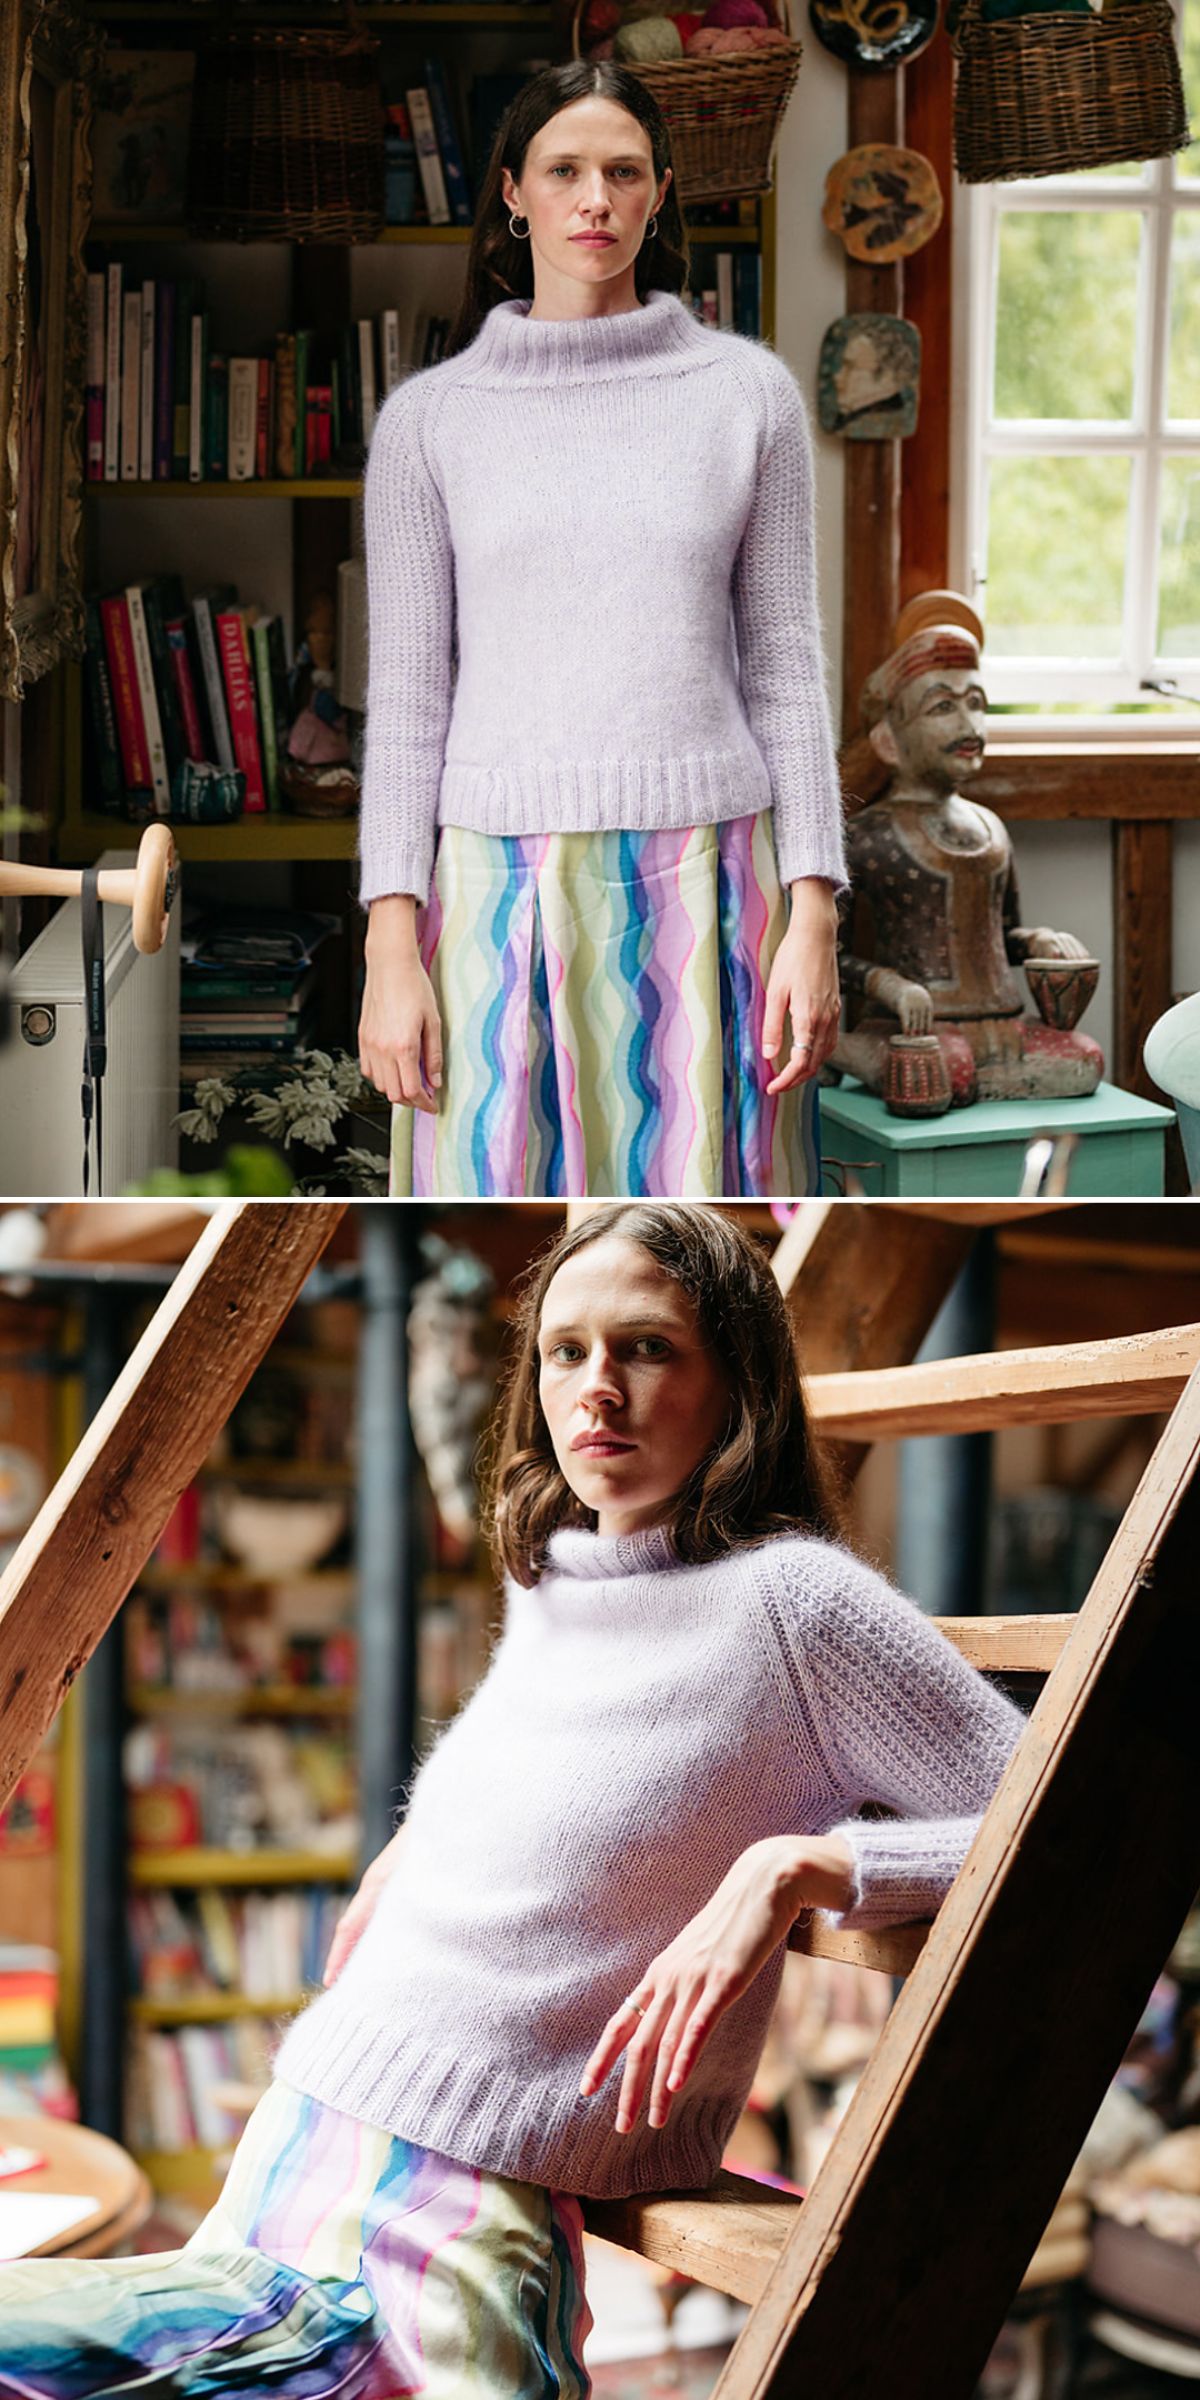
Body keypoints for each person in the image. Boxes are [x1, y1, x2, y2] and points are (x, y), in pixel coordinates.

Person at [0, 1204, 1028, 2398]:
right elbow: (548, 1781)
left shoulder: (796, 1608)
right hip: (309, 2132)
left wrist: (802, 1868)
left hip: (472, 2205)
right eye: (567, 1350)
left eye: (647, 1347)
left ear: (739, 1378)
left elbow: (1044, 1825)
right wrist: (423, 1843)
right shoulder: (558, 1571)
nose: (597, 1388)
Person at [355, 61, 849, 1201]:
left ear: (662, 192)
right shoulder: (432, 425)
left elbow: (786, 665)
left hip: (712, 879)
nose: (596, 200)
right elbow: (412, 699)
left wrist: (813, 909)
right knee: (499, 1223)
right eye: (565, 171)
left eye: (624, 172)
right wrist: (392, 945)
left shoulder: (747, 396)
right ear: (514, 194)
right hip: (488, 891)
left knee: (713, 1231)